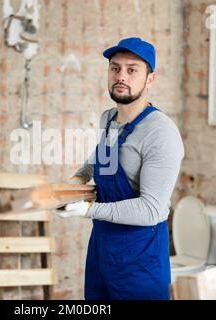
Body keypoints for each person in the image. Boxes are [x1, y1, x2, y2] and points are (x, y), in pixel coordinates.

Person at [57, 37, 184, 300]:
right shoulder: (109, 118)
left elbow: (151, 209)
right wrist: (78, 179)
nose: (121, 76)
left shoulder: (161, 133)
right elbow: (100, 156)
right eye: (115, 68)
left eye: (132, 69)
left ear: (150, 79)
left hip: (140, 260)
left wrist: (90, 209)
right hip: (102, 251)